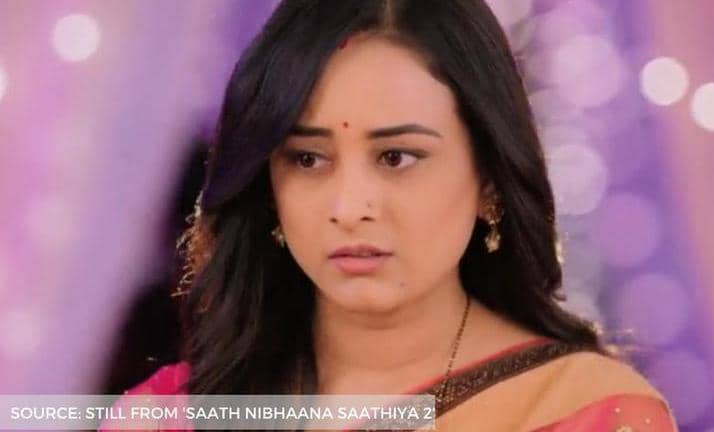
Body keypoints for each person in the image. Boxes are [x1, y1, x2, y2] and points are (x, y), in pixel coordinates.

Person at [108, 0, 679, 430]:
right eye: (308, 159)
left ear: (489, 179)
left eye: (397, 157)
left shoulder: (583, 411)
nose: (350, 208)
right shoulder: (169, 417)